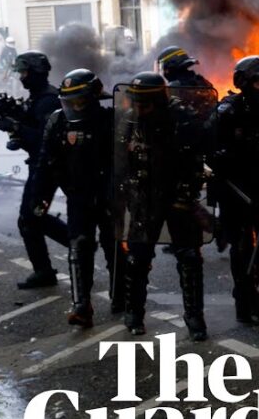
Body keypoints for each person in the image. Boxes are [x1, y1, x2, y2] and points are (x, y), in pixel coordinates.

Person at [112, 72, 211, 340]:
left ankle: (195, 318)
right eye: (135, 103)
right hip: (145, 197)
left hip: (178, 197)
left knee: (189, 258)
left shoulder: (183, 119)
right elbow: (120, 160)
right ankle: (134, 313)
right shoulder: (129, 119)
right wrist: (122, 193)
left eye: (144, 104)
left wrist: (188, 192)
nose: (138, 109)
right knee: (137, 257)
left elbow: (198, 159)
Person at [36, 69, 124, 326]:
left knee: (115, 247)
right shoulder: (58, 122)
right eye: (70, 101)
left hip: (109, 196)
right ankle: (81, 305)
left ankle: (121, 297)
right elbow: (47, 163)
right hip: (77, 196)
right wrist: (40, 196)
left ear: (93, 98)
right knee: (79, 247)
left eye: (80, 100)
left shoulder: (111, 120)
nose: (74, 106)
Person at [210, 56, 259, 325]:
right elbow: (211, 151)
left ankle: (248, 289)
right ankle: (245, 305)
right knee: (242, 246)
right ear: (246, 82)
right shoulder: (228, 111)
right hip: (235, 191)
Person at [0, 51, 70, 289]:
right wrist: (12, 118)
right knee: (30, 218)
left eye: (25, 72)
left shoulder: (48, 100)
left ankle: (76, 243)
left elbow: (43, 140)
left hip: (49, 167)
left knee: (30, 218)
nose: (22, 77)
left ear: (37, 73)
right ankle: (49, 266)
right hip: (41, 165)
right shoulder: (37, 98)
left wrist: (16, 126)